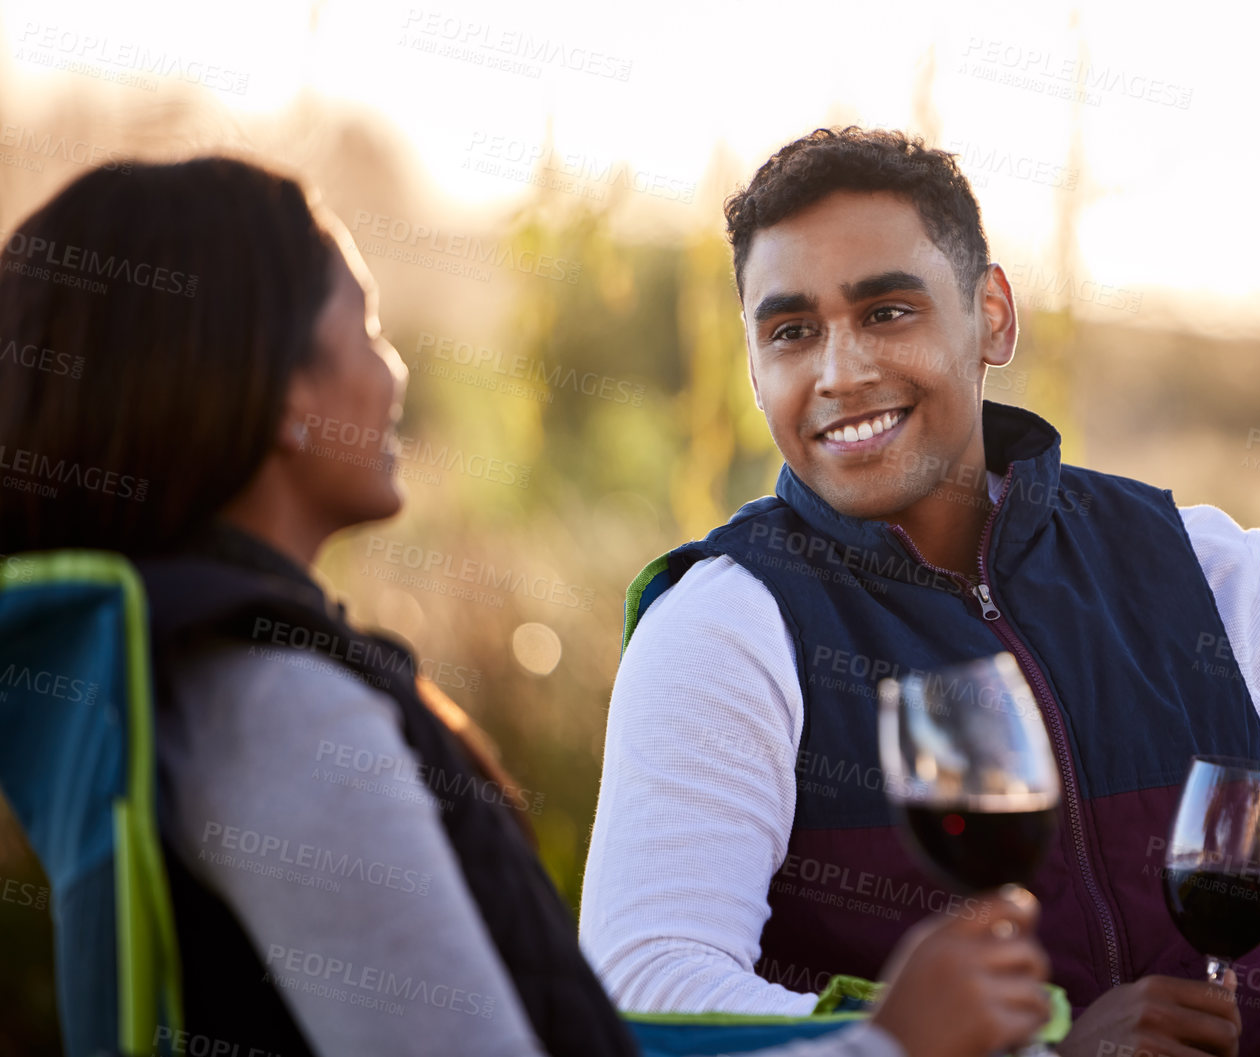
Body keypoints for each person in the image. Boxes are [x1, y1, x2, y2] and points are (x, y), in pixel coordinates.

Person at [0, 157, 1051, 1057]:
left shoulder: (178, 671)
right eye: (362, 324)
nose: (394, 366)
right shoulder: (279, 711)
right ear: (280, 391)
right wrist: (889, 1039)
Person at [579, 127, 1260, 1057]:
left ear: (991, 317)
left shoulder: (1200, 571)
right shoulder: (726, 623)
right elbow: (654, 987)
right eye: (791, 330)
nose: (839, 371)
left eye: (888, 311)